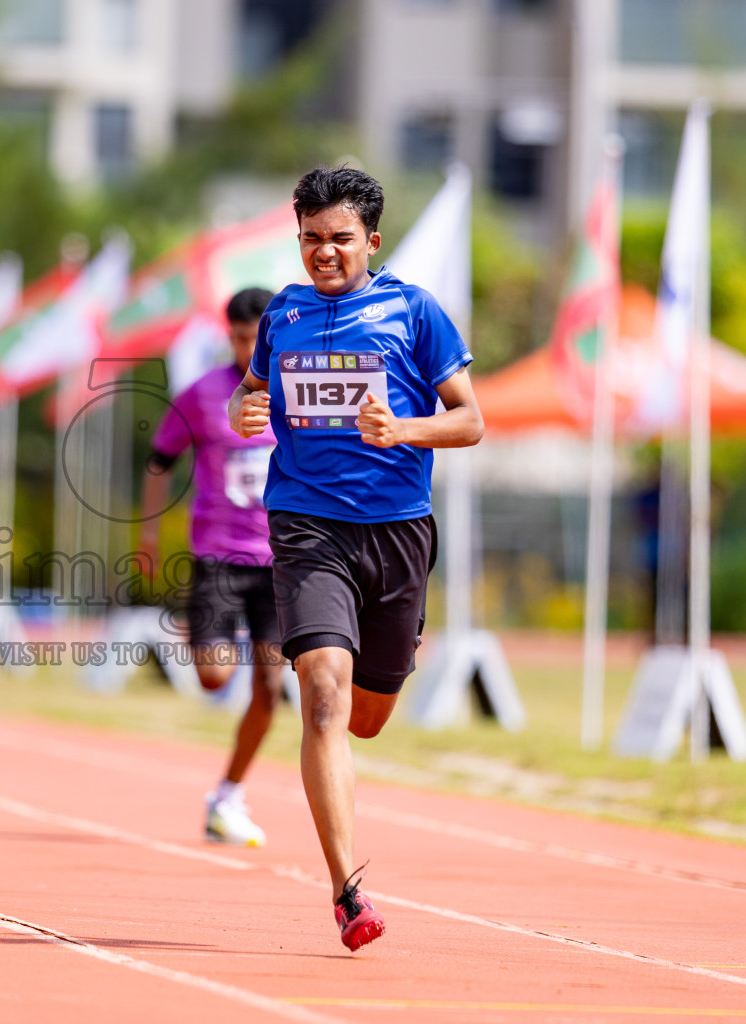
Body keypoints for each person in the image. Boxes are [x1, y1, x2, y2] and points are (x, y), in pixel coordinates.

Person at [228, 167, 483, 951]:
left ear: (371, 241)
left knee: (367, 716)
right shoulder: (283, 313)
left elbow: (470, 421)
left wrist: (402, 429)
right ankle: (347, 892)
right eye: (310, 239)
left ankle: (381, 677)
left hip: (397, 534)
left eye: (340, 239)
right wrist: (245, 410)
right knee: (323, 700)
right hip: (307, 528)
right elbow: (251, 394)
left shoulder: (413, 311)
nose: (324, 253)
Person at [139, 287, 284, 847]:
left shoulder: (297, 393)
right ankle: (203, 633)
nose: (250, 348)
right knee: (214, 675)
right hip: (219, 558)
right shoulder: (202, 395)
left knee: (270, 687)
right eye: (241, 338)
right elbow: (159, 460)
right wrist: (149, 532)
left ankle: (227, 793)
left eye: (258, 338)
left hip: (280, 562)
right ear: (228, 336)